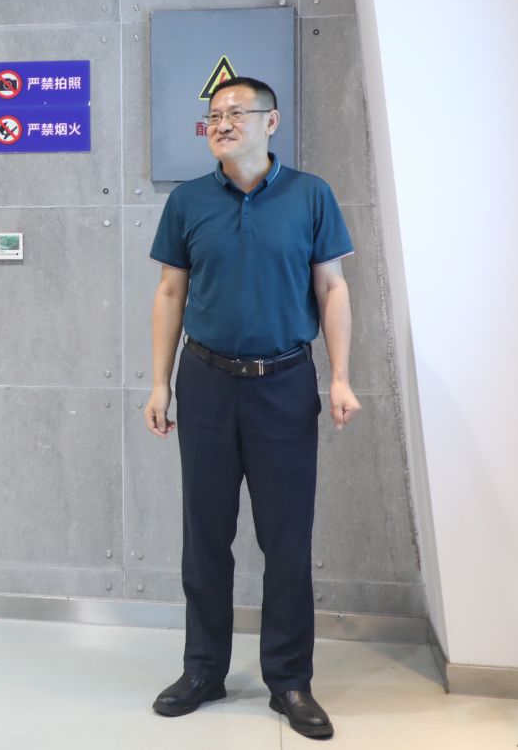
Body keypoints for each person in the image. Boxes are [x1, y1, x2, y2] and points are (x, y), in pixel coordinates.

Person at [143, 76, 359, 741]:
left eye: (237, 112)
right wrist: (159, 383)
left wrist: (340, 376)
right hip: (206, 382)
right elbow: (170, 292)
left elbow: (332, 289)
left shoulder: (310, 195)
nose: (223, 122)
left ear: (272, 122)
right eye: (214, 113)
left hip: (284, 384)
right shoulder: (188, 201)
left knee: (286, 540)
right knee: (205, 536)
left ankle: (290, 680)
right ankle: (203, 669)